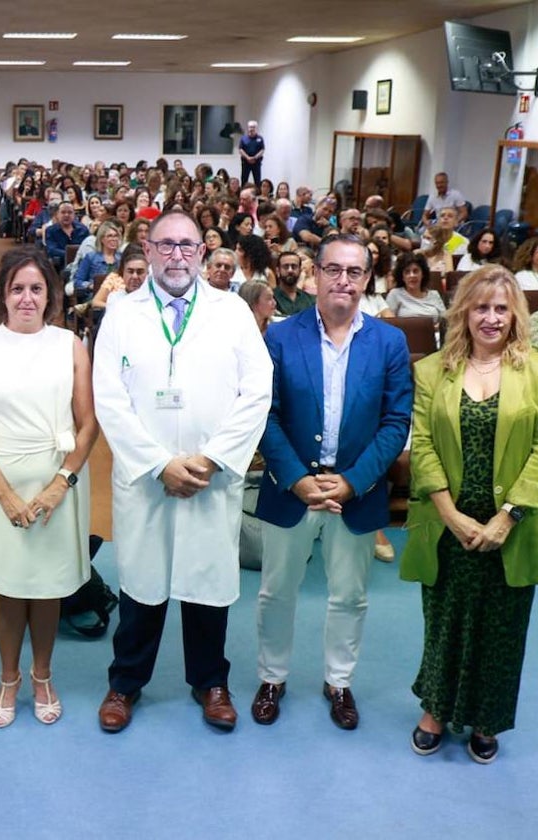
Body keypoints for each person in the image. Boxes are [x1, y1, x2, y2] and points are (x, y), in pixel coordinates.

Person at [92, 210, 273, 733]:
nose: (176, 256)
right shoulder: (123, 313)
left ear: (202, 251)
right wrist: (158, 464)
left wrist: (213, 458)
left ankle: (210, 680)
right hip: (147, 478)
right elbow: (109, 398)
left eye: (187, 246)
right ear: (146, 251)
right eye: (165, 245)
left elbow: (257, 388)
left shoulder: (232, 313)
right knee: (142, 583)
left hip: (210, 477)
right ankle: (125, 682)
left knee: (208, 581)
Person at [252, 234, 413, 730]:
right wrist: (298, 479)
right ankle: (272, 676)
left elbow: (395, 422)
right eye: (334, 269)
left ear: (367, 279)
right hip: (291, 488)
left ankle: (338, 681)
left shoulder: (389, 342)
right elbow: (266, 415)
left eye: (355, 271)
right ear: (314, 274)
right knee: (277, 591)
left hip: (355, 494)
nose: (343, 280)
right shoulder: (280, 337)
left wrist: (353, 482)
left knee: (350, 595)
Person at [401, 266, 538, 764]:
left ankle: (486, 717)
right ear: (464, 311)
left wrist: (508, 515)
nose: (491, 318)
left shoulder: (535, 370)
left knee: (502, 625)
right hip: (447, 522)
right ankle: (435, 709)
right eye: (481, 307)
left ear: (515, 315)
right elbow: (422, 444)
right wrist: (450, 514)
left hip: (515, 524)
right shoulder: (433, 370)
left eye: (502, 309)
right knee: (446, 619)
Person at [0, 247, 98, 727]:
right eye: (17, 288)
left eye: (36, 288)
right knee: (9, 587)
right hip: (3, 486)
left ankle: (42, 675)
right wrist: (4, 496)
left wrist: (62, 483)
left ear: (50, 295)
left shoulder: (69, 345)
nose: (26, 297)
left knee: (48, 587)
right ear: (2, 293)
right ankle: (8, 677)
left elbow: (87, 425)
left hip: (58, 482)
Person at [387, 252, 446, 321]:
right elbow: (389, 323)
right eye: (407, 272)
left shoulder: (434, 295)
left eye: (416, 271)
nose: (412, 275)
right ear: (402, 277)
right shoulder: (395, 294)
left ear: (423, 274)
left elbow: (445, 321)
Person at [239, 121, 266, 188]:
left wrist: (255, 157)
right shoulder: (243, 138)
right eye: (250, 127)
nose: (251, 129)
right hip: (245, 162)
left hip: (256, 162)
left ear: (256, 128)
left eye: (253, 127)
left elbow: (262, 149)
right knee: (244, 180)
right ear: (248, 128)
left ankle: (257, 195)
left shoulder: (260, 138)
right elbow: (240, 149)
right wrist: (247, 157)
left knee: (257, 180)